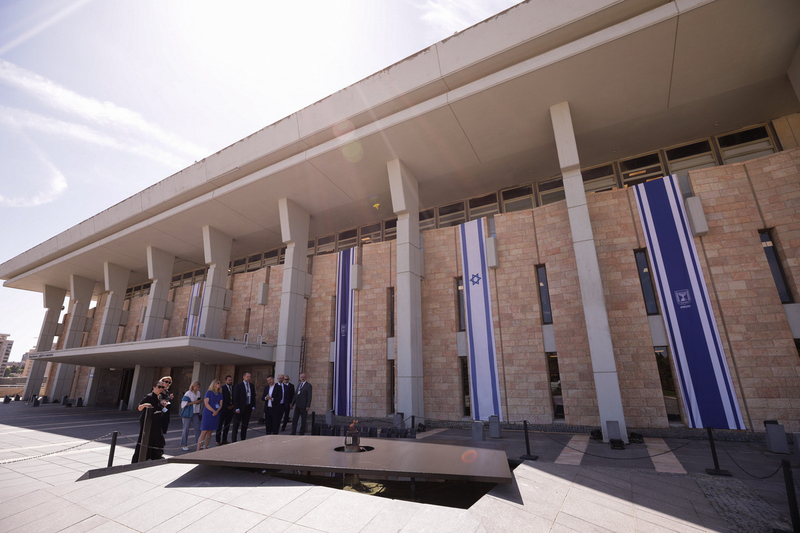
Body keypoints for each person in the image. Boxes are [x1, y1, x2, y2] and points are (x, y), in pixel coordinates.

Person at [132, 381, 167, 463]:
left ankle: (155, 456)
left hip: (157, 421)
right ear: (154, 387)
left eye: (162, 387)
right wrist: (145, 405)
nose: (161, 389)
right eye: (159, 387)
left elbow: (159, 409)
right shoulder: (149, 396)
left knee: (158, 438)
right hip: (148, 421)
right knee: (146, 438)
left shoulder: (160, 397)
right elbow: (139, 407)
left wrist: (163, 406)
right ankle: (139, 458)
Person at [198, 380, 222, 451]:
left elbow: (221, 404)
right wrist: (213, 411)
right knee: (204, 431)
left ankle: (206, 447)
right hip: (208, 413)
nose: (219, 384)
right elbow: (206, 403)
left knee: (210, 432)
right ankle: (198, 449)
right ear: (214, 384)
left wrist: (217, 411)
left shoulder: (220, 393)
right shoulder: (209, 392)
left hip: (215, 414)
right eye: (218, 383)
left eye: (220, 383)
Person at [231, 372, 255, 441]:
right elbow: (235, 397)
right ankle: (234, 440)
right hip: (239, 408)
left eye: (250, 377)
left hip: (248, 408)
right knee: (236, 426)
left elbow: (253, 396)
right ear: (243, 377)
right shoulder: (238, 386)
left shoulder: (251, 386)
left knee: (245, 425)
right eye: (247, 377)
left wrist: (253, 406)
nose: (249, 378)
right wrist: (236, 408)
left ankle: (243, 439)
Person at [180, 381, 203, 451]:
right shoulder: (188, 393)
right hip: (188, 413)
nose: (197, 389)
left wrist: (199, 402)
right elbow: (183, 404)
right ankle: (184, 445)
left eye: (198, 387)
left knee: (197, 428)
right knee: (186, 429)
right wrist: (194, 402)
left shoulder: (198, 393)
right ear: (193, 387)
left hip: (195, 412)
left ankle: (199, 443)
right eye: (196, 387)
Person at [216, 375, 234, 445]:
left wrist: (233, 405)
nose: (230, 381)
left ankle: (224, 439)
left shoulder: (234, 388)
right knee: (219, 425)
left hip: (230, 409)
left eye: (231, 380)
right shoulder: (222, 388)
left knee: (227, 425)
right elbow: (220, 399)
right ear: (226, 381)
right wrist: (226, 406)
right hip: (223, 409)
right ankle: (218, 440)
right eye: (229, 380)